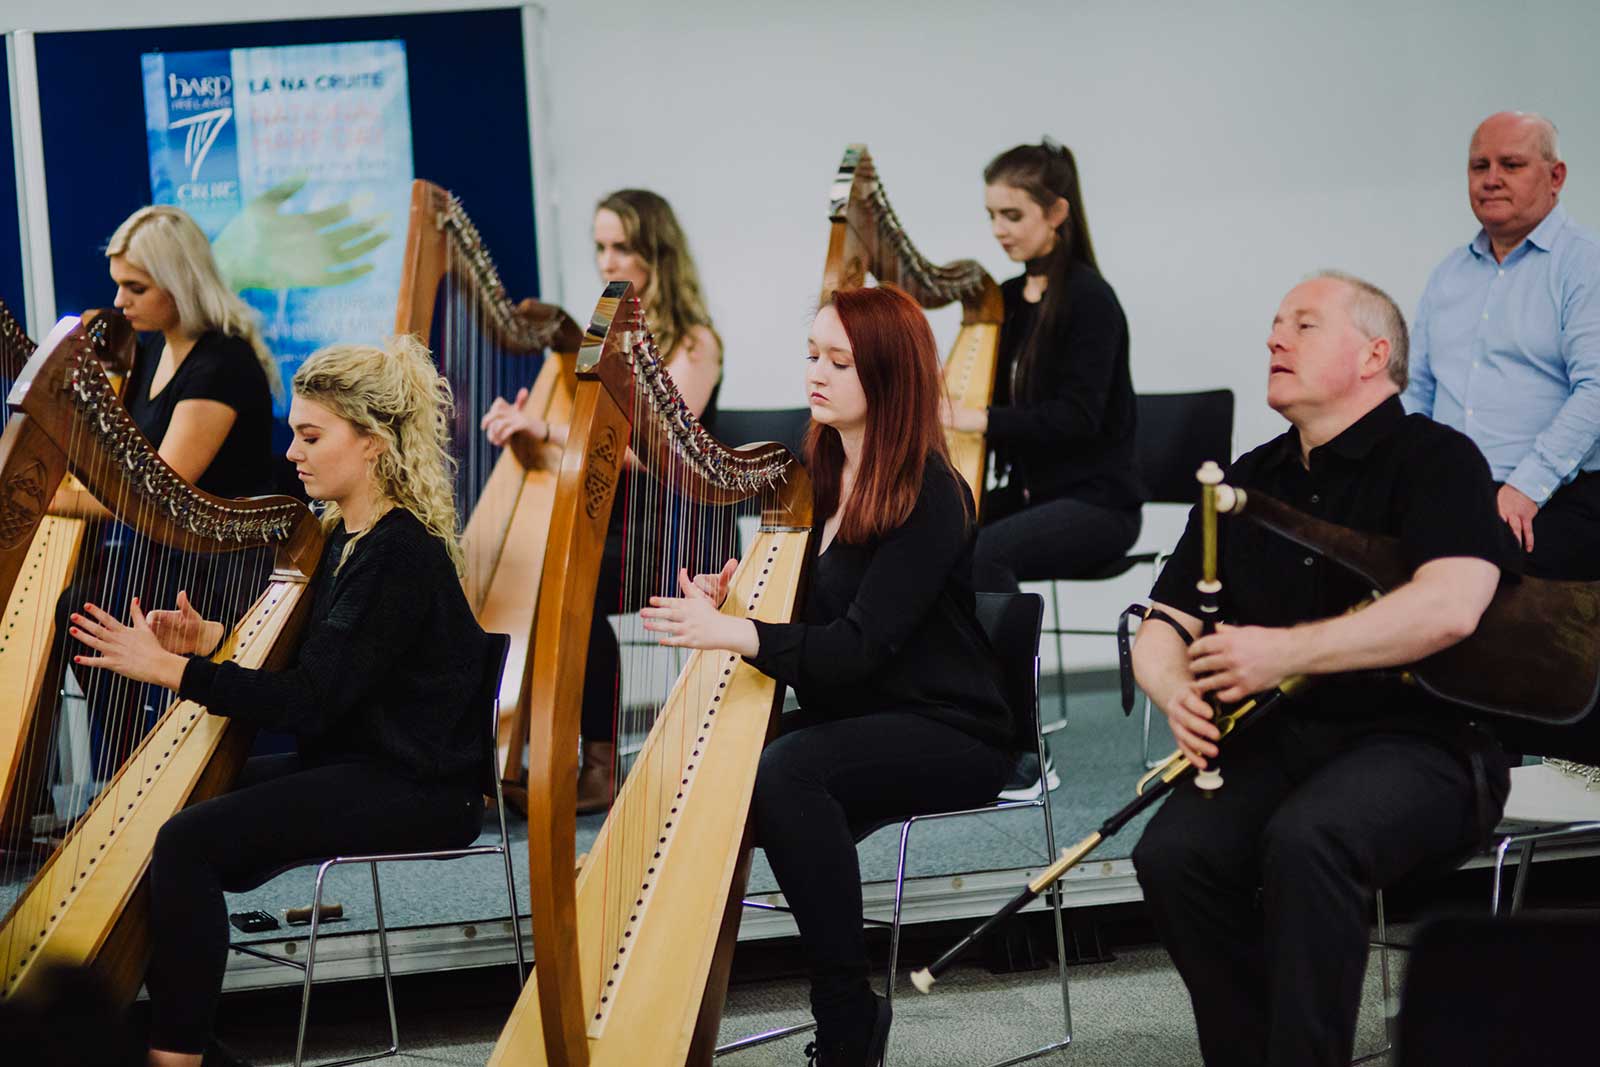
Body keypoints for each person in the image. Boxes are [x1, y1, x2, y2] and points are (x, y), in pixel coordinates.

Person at [69, 336, 489, 1067]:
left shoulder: (399, 552)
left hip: (418, 785)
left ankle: (178, 1054)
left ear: (374, 443)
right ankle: (175, 1030)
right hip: (361, 763)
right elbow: (328, 663)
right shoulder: (341, 537)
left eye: (311, 434)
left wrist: (174, 670)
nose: (291, 451)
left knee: (186, 841)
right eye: (293, 432)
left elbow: (310, 700)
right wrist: (211, 639)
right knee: (177, 824)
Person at [1131, 272, 1516, 1067]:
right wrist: (1174, 688)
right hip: (1283, 741)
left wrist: (1285, 650)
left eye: (1304, 324)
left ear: (1376, 355)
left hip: (1427, 741)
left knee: (1310, 840)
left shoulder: (1438, 458)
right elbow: (1162, 622)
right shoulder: (1249, 476)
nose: (1276, 338)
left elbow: (1451, 604)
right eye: (1275, 324)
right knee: (1172, 855)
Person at [641, 285, 1015, 1066]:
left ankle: (846, 1012)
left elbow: (853, 648)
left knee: (786, 773)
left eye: (839, 361)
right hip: (869, 715)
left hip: (952, 728)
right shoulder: (823, 470)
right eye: (813, 353)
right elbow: (813, 604)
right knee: (748, 771)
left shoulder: (931, 493)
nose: (817, 372)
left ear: (887, 375)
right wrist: (733, 591)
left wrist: (734, 632)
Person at [481, 188, 723, 812]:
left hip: (667, 533)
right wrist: (525, 431)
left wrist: (551, 432)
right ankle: (511, 753)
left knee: (573, 582)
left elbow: (657, 452)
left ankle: (598, 762)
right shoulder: (602, 344)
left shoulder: (695, 343)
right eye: (600, 247)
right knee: (533, 569)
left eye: (622, 247)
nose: (607, 261)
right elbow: (584, 450)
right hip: (606, 523)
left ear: (656, 254)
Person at [947, 140, 1144, 800]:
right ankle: (962, 719)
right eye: (991, 216)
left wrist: (981, 422)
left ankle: (1024, 749)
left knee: (990, 548)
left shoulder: (1092, 299)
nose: (999, 230)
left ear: (1057, 212)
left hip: (1099, 504)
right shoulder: (1001, 301)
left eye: (1013, 215)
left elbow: (1080, 418)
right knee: (941, 537)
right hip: (1034, 496)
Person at [55, 205, 282, 778]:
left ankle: (151, 769)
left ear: (179, 284)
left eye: (136, 287)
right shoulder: (153, 349)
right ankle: (137, 766)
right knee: (80, 609)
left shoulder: (223, 364)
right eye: (118, 286)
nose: (121, 302)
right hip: (170, 552)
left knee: (86, 608)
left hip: (226, 562)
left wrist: (50, 495)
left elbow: (158, 494)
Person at [1403, 111, 1600, 580]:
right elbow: (1417, 393)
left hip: (1555, 496)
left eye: (1510, 165)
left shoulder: (1585, 265)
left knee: (1462, 579)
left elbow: (1595, 390)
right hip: (1456, 494)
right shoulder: (1448, 274)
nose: (1491, 180)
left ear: (1556, 177)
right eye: (1479, 166)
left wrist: (1525, 488)